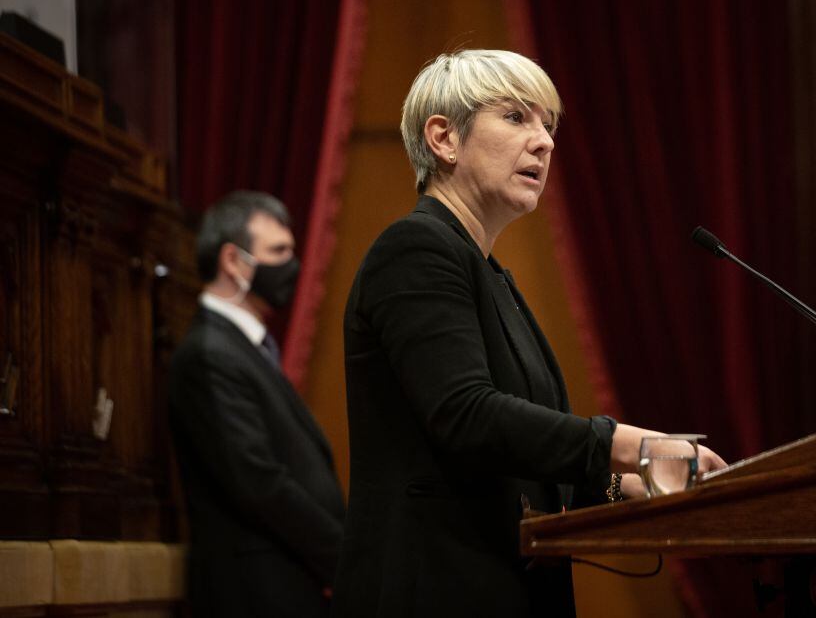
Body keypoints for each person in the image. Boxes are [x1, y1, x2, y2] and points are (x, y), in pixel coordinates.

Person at [330, 50, 726, 617]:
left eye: (548, 124)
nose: (545, 142)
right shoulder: (415, 250)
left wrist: (629, 488)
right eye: (517, 117)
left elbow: (518, 459)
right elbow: (467, 416)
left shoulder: (488, 272)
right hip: (434, 590)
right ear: (444, 138)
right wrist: (633, 447)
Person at [168, 191, 345, 617]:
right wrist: (346, 559)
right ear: (233, 261)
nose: (292, 265)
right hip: (255, 594)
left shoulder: (246, 347)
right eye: (278, 251)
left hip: (288, 584)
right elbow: (258, 481)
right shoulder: (210, 353)